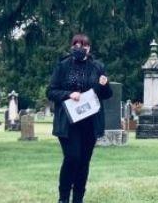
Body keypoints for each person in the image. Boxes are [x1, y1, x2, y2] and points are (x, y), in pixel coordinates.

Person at [47, 34, 112, 203]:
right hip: (68, 123)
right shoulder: (63, 66)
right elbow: (51, 91)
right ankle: (63, 198)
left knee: (84, 162)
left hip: (90, 122)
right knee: (72, 158)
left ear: (89, 48)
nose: (79, 48)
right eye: (76, 45)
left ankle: (78, 199)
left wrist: (105, 84)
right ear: (71, 47)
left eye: (83, 45)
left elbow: (106, 94)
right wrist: (69, 94)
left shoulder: (97, 67)